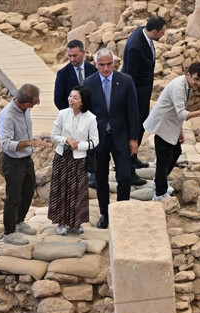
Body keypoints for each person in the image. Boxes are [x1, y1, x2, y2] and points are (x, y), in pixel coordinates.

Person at [83, 48, 140, 229]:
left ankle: (122, 211)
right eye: (102, 65)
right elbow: (86, 113)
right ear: (96, 64)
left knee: (124, 176)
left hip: (121, 136)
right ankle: (105, 214)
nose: (106, 69)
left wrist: (134, 138)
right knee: (101, 178)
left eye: (109, 64)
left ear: (114, 63)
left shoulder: (125, 81)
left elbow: (133, 111)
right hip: (98, 139)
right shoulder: (89, 82)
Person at [143, 62, 200, 201]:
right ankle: (160, 194)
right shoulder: (179, 87)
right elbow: (181, 113)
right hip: (163, 125)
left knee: (175, 153)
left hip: (170, 124)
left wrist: (180, 130)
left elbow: (178, 110)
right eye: (196, 79)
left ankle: (158, 183)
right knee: (164, 159)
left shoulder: (187, 85)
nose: (198, 83)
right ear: (188, 75)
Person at [0, 83, 52, 245]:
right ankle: (9, 232)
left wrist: (36, 140)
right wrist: (29, 142)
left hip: (26, 159)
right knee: (13, 197)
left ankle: (19, 221)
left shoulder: (24, 109)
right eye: (36, 103)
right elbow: (6, 144)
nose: (36, 105)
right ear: (25, 103)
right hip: (13, 161)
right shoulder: (7, 116)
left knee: (28, 192)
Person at [48, 86, 99, 235]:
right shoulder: (62, 114)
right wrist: (66, 140)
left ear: (82, 102)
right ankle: (61, 223)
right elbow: (53, 136)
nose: (71, 100)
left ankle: (76, 223)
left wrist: (79, 146)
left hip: (79, 160)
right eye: (70, 96)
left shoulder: (91, 118)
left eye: (75, 98)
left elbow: (95, 141)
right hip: (62, 158)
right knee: (60, 190)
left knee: (78, 191)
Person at [122, 15, 166, 175]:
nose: (163, 35)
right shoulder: (136, 47)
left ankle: (133, 159)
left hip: (143, 91)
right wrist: (132, 103)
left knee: (141, 127)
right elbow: (130, 77)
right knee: (135, 129)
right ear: (154, 31)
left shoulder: (143, 32)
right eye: (162, 32)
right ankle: (129, 169)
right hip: (136, 95)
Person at [54, 40, 96, 111]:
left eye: (75, 55)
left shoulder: (93, 70)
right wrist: (71, 114)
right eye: (70, 56)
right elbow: (58, 99)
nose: (72, 59)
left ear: (83, 53)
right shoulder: (62, 74)